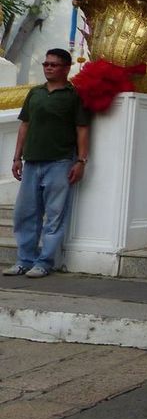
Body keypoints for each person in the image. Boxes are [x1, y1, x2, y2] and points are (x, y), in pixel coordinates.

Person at [4, 48, 91, 278]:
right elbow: (25, 125)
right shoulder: (35, 93)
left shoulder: (73, 96)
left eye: (54, 64)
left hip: (60, 161)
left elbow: (82, 129)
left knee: (55, 215)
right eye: (46, 64)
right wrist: (16, 157)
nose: (48, 67)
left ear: (66, 68)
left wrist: (81, 160)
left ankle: (45, 261)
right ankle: (24, 259)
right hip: (32, 161)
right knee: (25, 213)